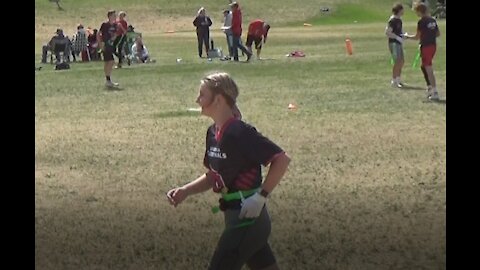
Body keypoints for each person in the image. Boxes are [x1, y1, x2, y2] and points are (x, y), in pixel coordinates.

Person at [167, 72, 290, 270]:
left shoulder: (241, 133)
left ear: (218, 99)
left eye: (202, 95)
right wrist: (185, 190)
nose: (197, 100)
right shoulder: (212, 133)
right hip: (234, 216)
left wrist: (260, 197)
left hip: (248, 220)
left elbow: (281, 159)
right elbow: (214, 176)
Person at [405, 3, 441, 100]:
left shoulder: (421, 22)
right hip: (433, 45)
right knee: (424, 66)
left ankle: (434, 91)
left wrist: (407, 37)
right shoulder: (432, 20)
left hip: (426, 47)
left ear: (419, 11)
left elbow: (417, 37)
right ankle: (429, 87)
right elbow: (437, 34)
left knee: (428, 68)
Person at [385, 3, 406, 88]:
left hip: (399, 42)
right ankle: (394, 80)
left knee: (401, 61)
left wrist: (403, 35)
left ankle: (398, 79)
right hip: (393, 43)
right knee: (397, 61)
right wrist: (397, 38)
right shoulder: (392, 20)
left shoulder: (399, 20)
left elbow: (399, 31)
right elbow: (388, 32)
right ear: (399, 10)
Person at [98, 10, 119, 88]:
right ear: (109, 16)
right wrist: (100, 44)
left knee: (108, 62)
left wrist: (114, 37)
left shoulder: (115, 25)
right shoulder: (104, 25)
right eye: (113, 15)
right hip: (105, 45)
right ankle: (108, 80)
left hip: (110, 46)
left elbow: (115, 35)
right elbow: (99, 34)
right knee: (110, 61)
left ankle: (108, 80)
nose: (115, 17)